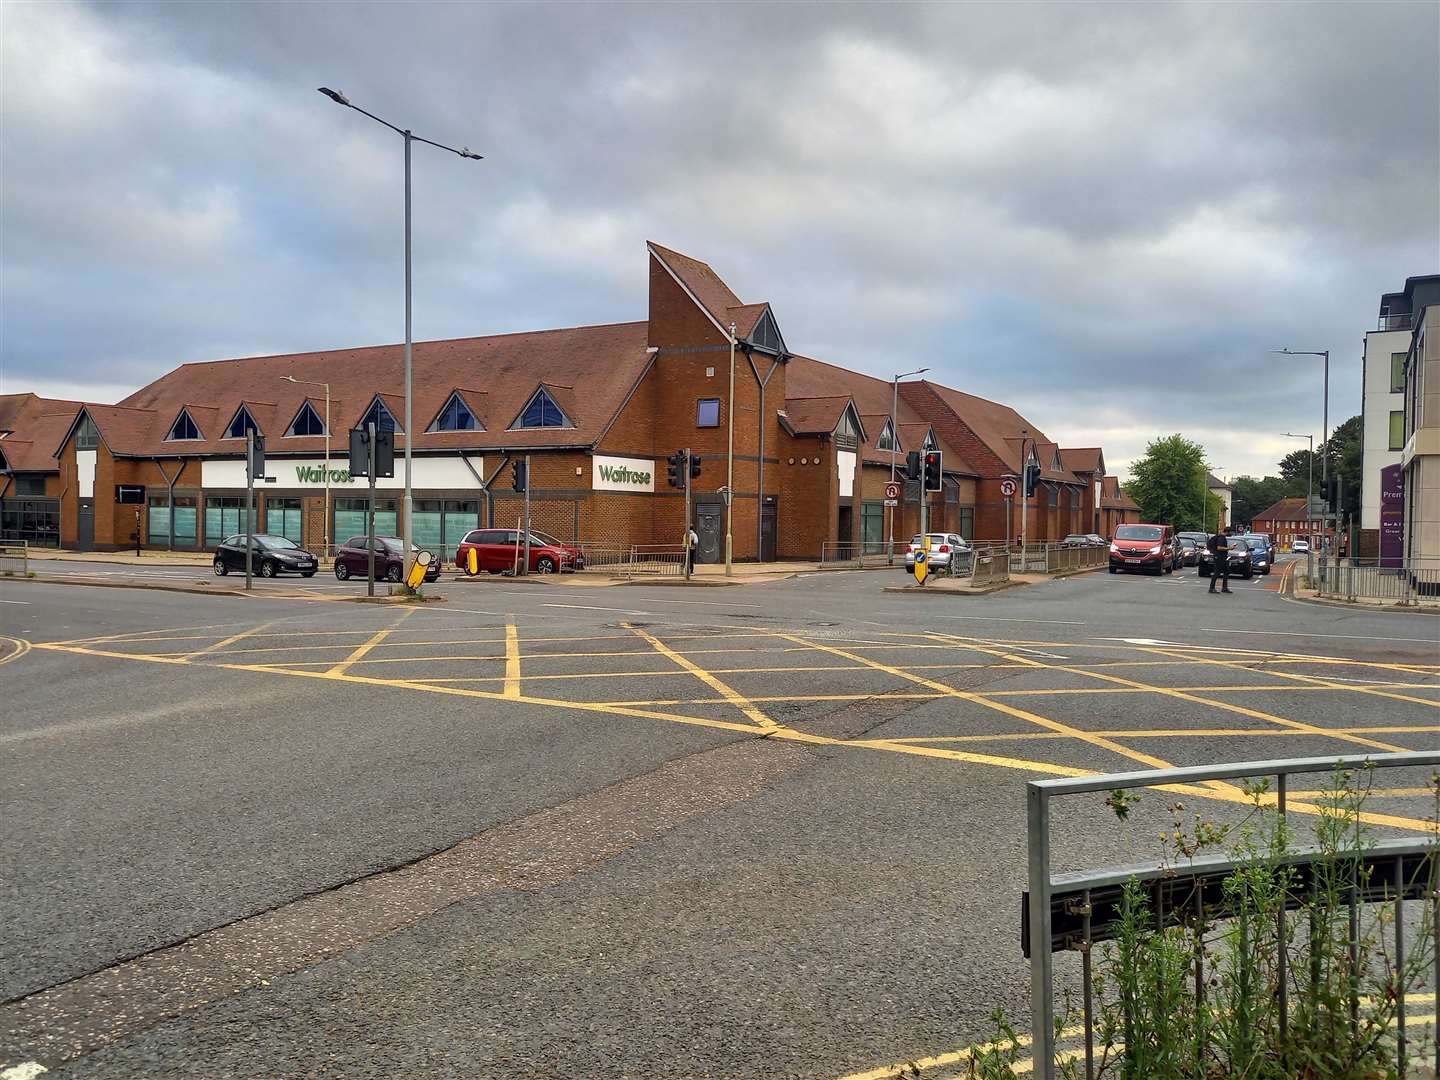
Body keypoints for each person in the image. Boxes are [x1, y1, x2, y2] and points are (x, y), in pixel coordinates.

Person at [1207, 529, 1231, 594]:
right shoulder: (1221, 538)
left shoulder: (1220, 537)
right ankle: (1211, 588)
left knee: (1226, 571)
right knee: (1217, 572)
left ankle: (1224, 588)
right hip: (1219, 557)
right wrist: (1229, 548)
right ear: (1226, 532)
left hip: (1221, 557)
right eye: (1229, 532)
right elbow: (1219, 548)